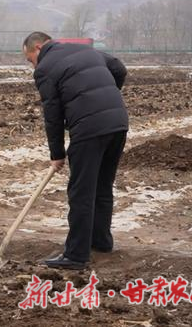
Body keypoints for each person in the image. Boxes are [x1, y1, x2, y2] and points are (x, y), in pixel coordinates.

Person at [22, 31, 128, 270]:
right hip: (118, 122)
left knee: (81, 192)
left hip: (89, 128)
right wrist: (106, 98)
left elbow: (53, 115)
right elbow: (119, 69)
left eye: (29, 59)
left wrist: (57, 154)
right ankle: (101, 242)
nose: (32, 65)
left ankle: (76, 255)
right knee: (102, 186)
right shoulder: (85, 49)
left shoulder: (45, 68)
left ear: (38, 48)